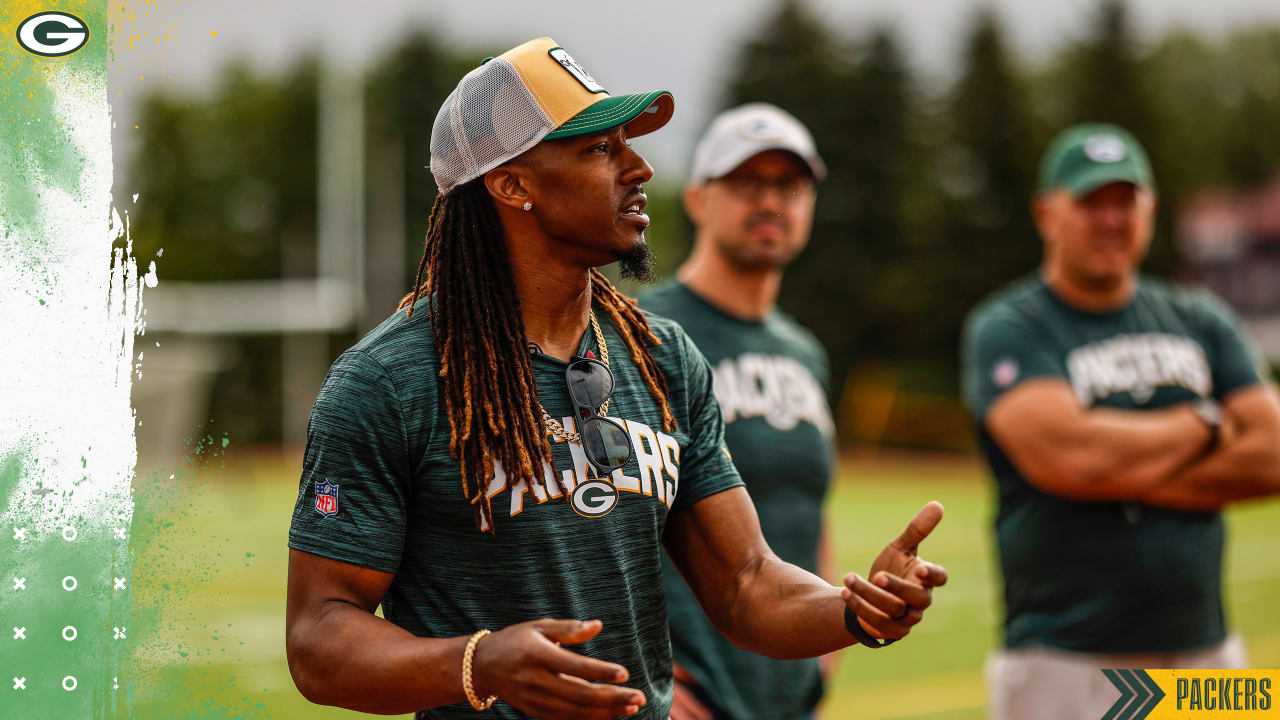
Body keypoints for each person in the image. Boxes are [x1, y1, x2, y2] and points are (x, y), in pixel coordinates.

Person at [284, 37, 948, 720]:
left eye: (626, 141)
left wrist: (855, 610)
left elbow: (746, 584)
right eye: (600, 149)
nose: (640, 168)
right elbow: (318, 638)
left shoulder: (662, 357)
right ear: (513, 184)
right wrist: (481, 664)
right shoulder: (386, 382)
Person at [961, 122, 1280, 720]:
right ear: (1047, 213)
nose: (1112, 219)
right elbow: (1073, 457)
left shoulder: (1202, 317)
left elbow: (1273, 454)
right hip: (1066, 664)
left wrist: (1116, 474)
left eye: (1126, 200)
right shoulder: (1009, 326)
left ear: (1151, 208)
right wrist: (1207, 424)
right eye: (1091, 202)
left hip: (1210, 657)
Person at [639, 103, 836, 720]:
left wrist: (824, 657)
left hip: (788, 695)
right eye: (747, 182)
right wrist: (645, 684)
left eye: (790, 184)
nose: (770, 200)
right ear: (698, 199)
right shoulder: (642, 334)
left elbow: (810, 507)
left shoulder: (804, 350)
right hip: (684, 696)